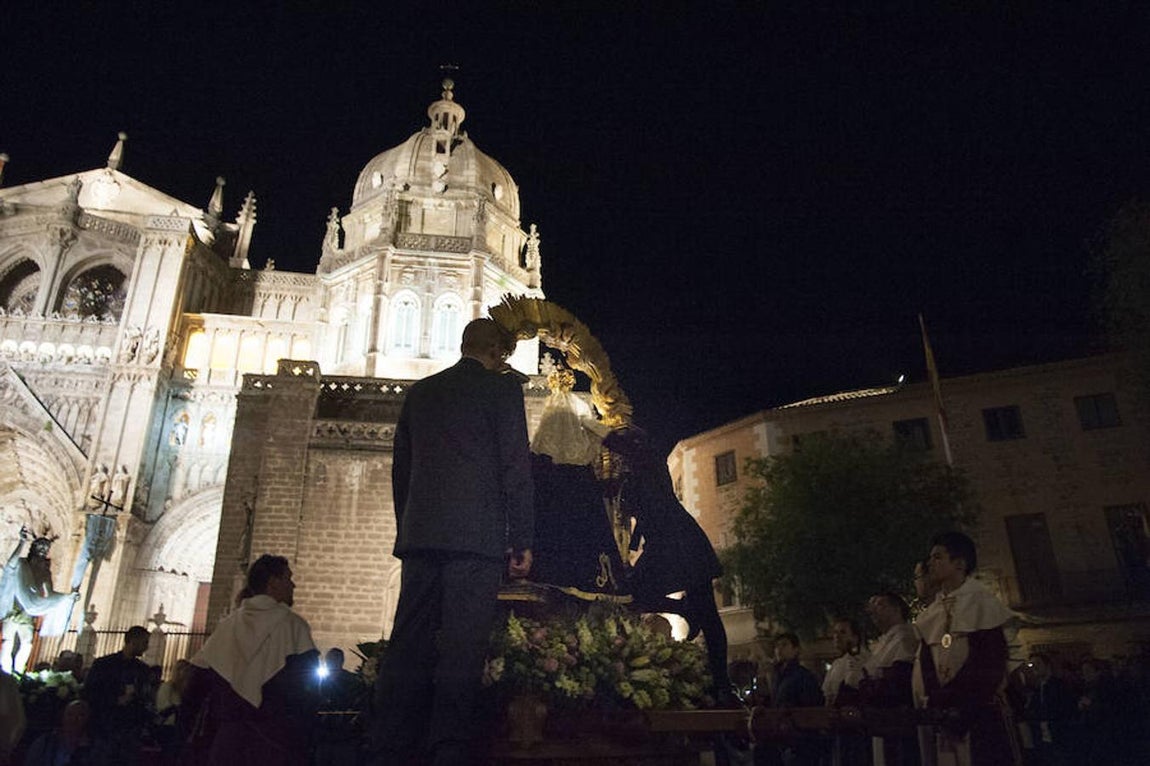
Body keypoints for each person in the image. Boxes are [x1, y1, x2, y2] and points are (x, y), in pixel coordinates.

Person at [371, 317, 534, 766]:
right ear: (498, 353)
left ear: (463, 345)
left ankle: (388, 740)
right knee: (463, 643)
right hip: (475, 539)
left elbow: (400, 468)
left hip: (421, 536)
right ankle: (447, 745)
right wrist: (521, 537)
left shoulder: (421, 392)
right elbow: (515, 469)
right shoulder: (502, 391)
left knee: (409, 641)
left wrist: (409, 525)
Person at [602, 425, 732, 698]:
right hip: (678, 538)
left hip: (670, 540)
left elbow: (648, 512)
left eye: (616, 454)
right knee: (707, 613)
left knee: (633, 597)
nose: (612, 459)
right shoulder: (648, 469)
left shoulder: (639, 474)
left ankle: (721, 682)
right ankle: (721, 683)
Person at [180, 554, 318, 766]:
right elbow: (306, 691)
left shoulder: (228, 626)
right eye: (288, 578)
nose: (293, 585)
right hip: (274, 746)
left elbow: (196, 688)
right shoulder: (294, 626)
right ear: (273, 583)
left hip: (227, 745)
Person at [912, 531, 1020, 766]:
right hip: (945, 715)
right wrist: (936, 698)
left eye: (938, 557)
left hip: (977, 713)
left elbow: (988, 662)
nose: (931, 563)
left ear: (960, 563)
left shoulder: (982, 602)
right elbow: (927, 660)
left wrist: (956, 700)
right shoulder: (931, 613)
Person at [527, 365, 626, 598]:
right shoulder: (578, 406)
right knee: (586, 535)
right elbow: (597, 430)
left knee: (552, 535)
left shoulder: (547, 410)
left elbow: (536, 447)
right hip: (578, 480)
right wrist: (618, 441)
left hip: (550, 482)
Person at [0, 527, 78, 673]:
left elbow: (51, 594)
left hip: (29, 610)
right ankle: (5, 673)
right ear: (33, 549)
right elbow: (11, 565)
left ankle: (18, 672)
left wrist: (66, 597)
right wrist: (21, 542)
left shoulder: (44, 572)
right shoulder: (22, 564)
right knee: (7, 642)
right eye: (39, 548)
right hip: (13, 607)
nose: (42, 551)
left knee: (27, 643)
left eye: (45, 549)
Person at [862, 593, 920, 766]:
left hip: (897, 717)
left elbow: (900, 678)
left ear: (897, 608)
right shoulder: (883, 641)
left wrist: (873, 686)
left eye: (880, 605)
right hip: (882, 717)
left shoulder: (905, 635)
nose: (873, 610)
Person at [81, 625, 152, 762]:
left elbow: (145, 696)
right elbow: (90, 692)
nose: (146, 647)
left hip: (130, 729)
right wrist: (114, 700)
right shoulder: (104, 665)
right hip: (105, 726)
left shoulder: (143, 670)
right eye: (145, 642)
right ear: (133, 641)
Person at [756, 633, 824, 766]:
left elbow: (811, 705)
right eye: (777, 646)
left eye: (784, 645)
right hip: (782, 738)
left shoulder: (803, 676)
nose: (779, 649)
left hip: (799, 741)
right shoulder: (777, 676)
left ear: (796, 649)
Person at [1020, 653, 1074, 765]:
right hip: (1044, 741)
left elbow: (1066, 712)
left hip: (1059, 740)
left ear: (1047, 665)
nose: (1035, 667)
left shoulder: (1060, 686)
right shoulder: (1037, 689)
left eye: (1038, 663)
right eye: (1032, 664)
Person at [24, 699, 110, 766]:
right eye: (70, 714)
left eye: (80, 715)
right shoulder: (45, 742)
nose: (74, 719)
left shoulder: (96, 747)